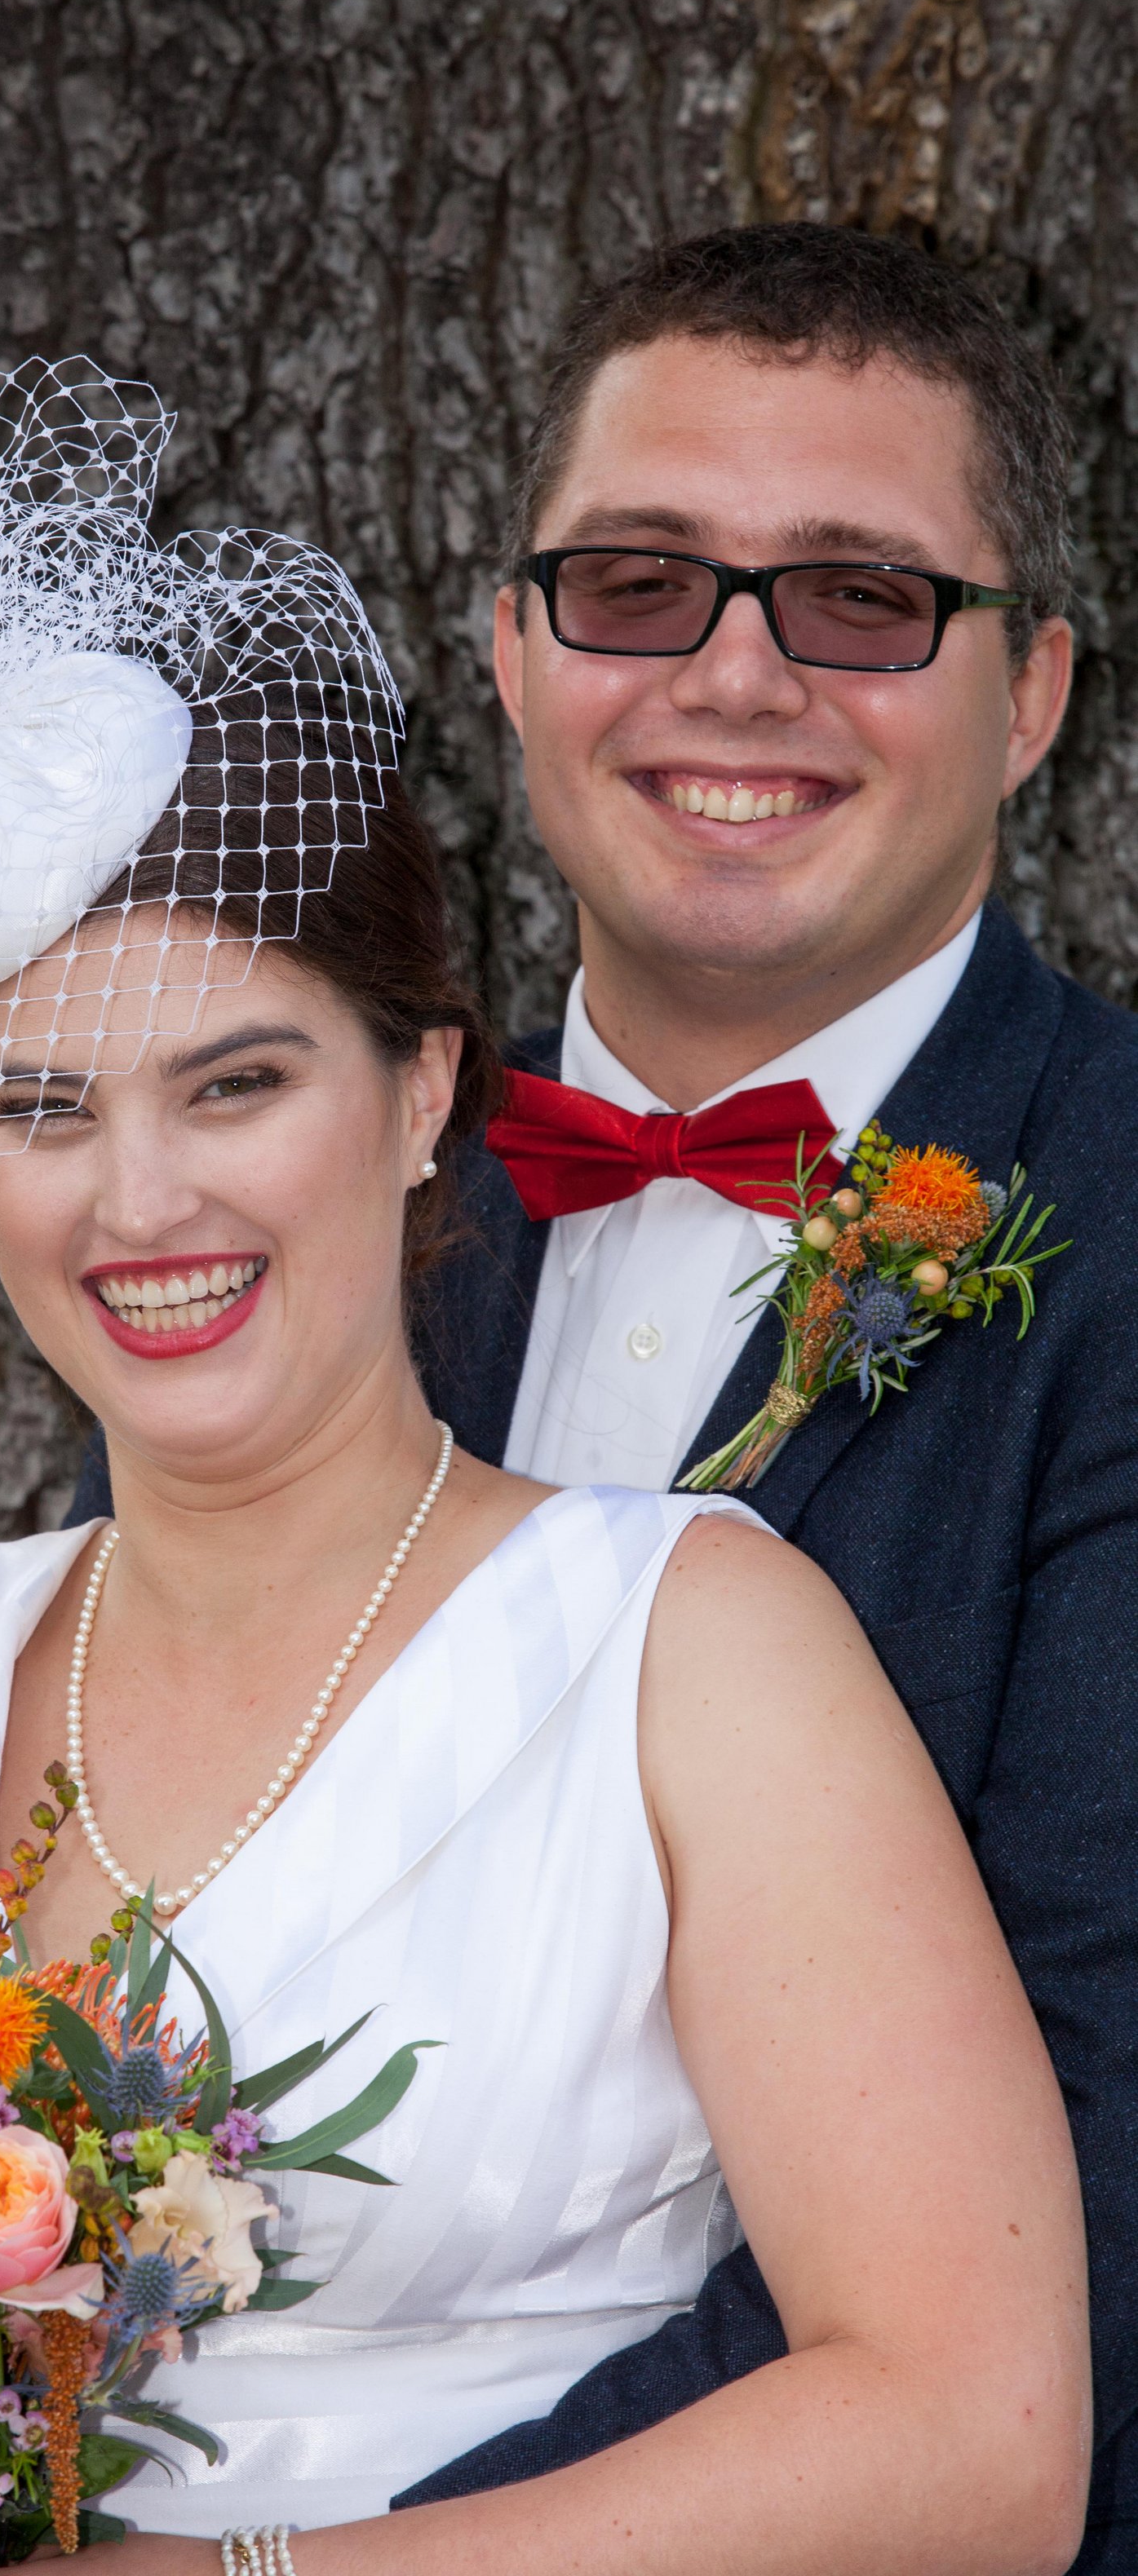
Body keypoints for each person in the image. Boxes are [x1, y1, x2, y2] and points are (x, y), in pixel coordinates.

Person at [0, 356, 1090, 2576]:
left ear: (423, 1091)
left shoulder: (703, 1649)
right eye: (44, 1110)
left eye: (234, 1084)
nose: (138, 1200)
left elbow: (976, 2442)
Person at [308, 223, 1138, 2569]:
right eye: (640, 583)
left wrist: (313, 2554)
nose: (739, 676)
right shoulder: (310, 1207)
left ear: (1034, 692)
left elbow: (1091, 2176)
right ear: (512, 649)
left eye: (863, 598)